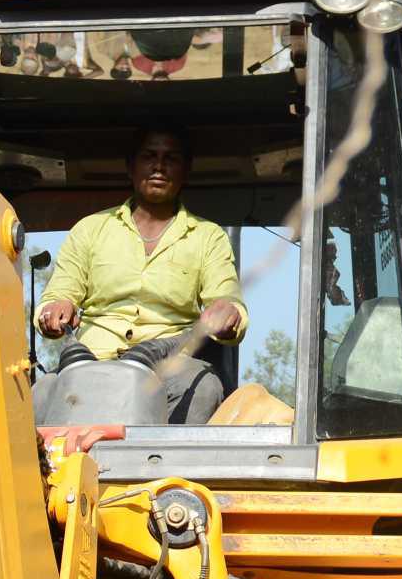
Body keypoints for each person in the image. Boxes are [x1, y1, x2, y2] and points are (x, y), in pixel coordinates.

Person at [32, 127, 244, 423]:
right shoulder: (90, 229)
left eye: (171, 158)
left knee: (205, 389)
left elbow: (227, 301)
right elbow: (59, 294)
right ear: (130, 167)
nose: (159, 166)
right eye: (149, 156)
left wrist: (229, 314)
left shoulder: (208, 237)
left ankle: (171, 456)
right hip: (92, 360)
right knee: (39, 393)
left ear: (185, 171)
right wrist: (56, 308)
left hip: (169, 367)